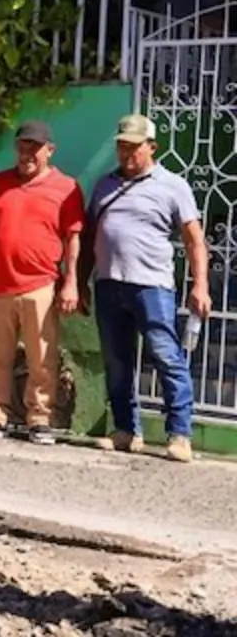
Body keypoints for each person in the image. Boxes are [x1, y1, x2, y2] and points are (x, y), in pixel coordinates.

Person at [78, 114, 209, 463]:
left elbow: (194, 240)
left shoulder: (173, 185)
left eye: (134, 147)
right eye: (122, 146)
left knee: (167, 357)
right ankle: (125, 430)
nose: (126, 153)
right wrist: (79, 282)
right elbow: (91, 236)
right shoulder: (104, 185)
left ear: (152, 147)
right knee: (117, 361)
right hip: (109, 284)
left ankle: (179, 434)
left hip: (152, 287)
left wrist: (201, 287)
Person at [0, 120, 84, 445]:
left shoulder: (66, 188)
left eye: (34, 146)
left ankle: (40, 420)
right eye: (22, 145)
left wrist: (71, 282)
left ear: (50, 150)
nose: (27, 153)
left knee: (42, 358)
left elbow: (73, 239)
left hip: (41, 285)